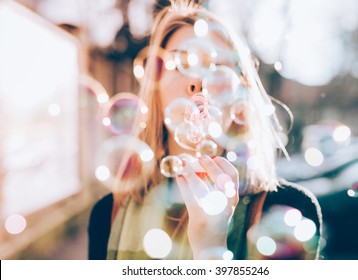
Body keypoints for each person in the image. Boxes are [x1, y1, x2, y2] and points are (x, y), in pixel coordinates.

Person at [88, 0, 322, 260]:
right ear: (155, 86)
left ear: (240, 95)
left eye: (217, 67)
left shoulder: (292, 211)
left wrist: (212, 249)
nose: (198, 81)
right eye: (182, 63)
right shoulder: (106, 215)